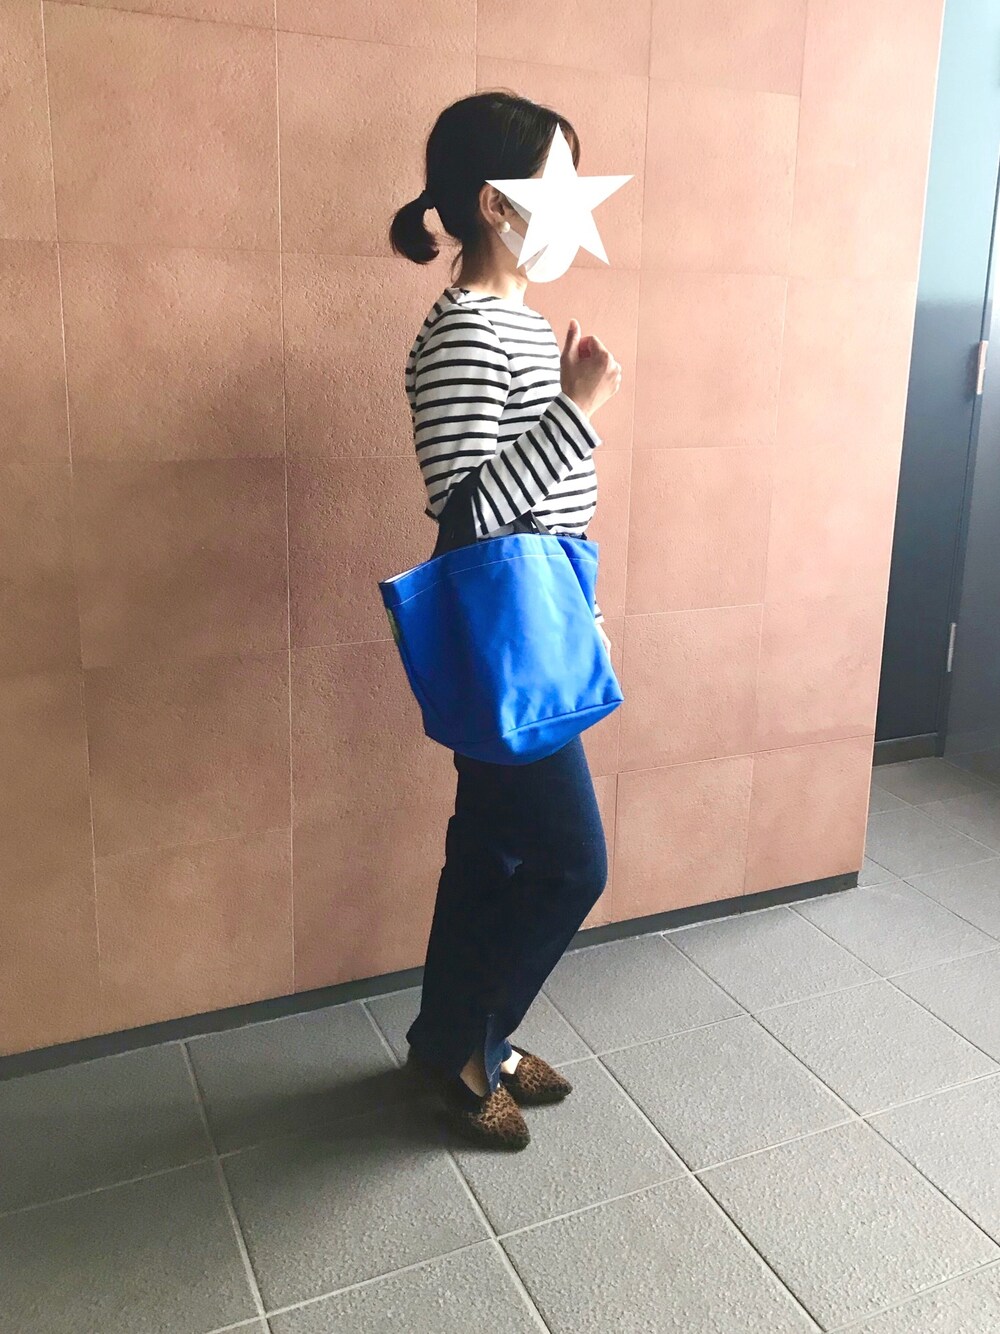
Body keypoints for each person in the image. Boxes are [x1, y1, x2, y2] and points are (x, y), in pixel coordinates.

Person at [389, 92, 622, 1151]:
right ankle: (470, 1049)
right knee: (573, 862)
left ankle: (449, 1041)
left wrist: (586, 618)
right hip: (503, 651)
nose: (575, 206)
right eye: (557, 184)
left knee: (489, 857)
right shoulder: (463, 334)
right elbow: (470, 514)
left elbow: (548, 513)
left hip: (536, 634)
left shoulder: (517, 325)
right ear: (495, 202)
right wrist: (577, 410)